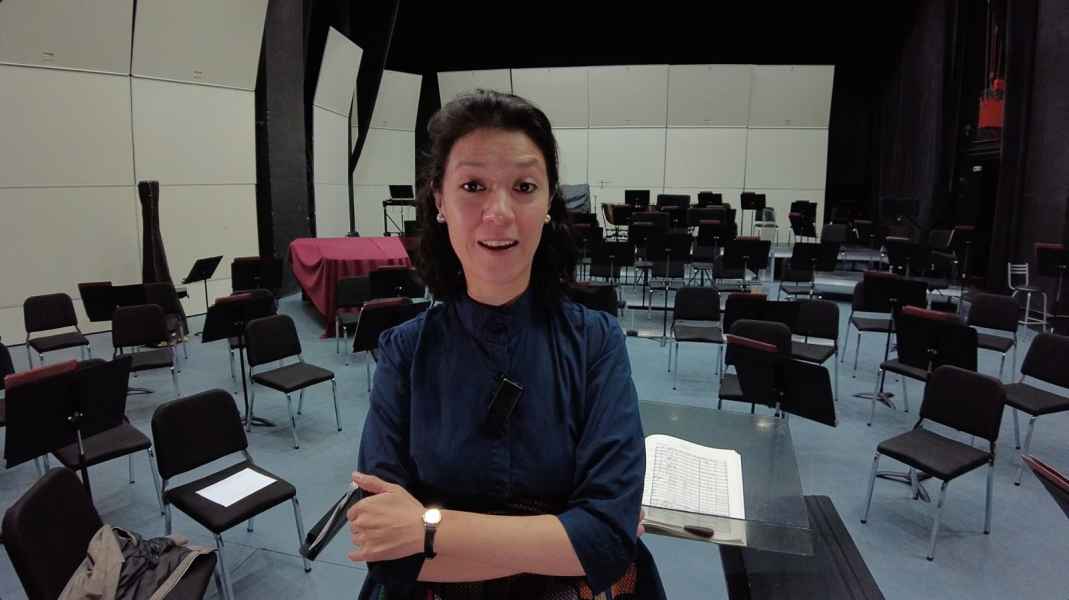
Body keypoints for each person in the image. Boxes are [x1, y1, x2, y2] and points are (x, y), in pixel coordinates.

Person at [347, 90, 664, 600]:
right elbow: (385, 550)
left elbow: (606, 538)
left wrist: (428, 529)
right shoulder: (404, 352)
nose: (499, 212)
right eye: (473, 186)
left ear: (548, 203)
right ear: (440, 201)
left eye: (524, 187)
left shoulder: (596, 342)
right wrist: (564, 537)